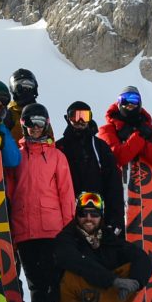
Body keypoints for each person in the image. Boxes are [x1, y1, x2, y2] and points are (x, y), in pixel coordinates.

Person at [53, 191, 152, 302]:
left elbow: (140, 257)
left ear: (101, 216)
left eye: (94, 214)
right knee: (74, 275)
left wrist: (135, 281)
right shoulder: (66, 238)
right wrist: (113, 280)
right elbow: (73, 260)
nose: (88, 218)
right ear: (76, 216)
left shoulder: (107, 237)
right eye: (83, 214)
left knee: (131, 266)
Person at [7, 103, 75, 302]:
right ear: (23, 125)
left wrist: (69, 228)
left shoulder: (56, 156)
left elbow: (66, 193)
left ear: (46, 125)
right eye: (30, 123)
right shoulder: (16, 157)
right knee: (33, 276)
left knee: (52, 275)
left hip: (51, 226)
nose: (35, 128)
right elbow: (10, 190)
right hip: (24, 226)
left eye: (39, 123)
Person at [55, 101, 125, 239]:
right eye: (75, 116)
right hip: (69, 215)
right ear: (68, 119)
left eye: (85, 116)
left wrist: (115, 218)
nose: (80, 121)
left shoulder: (100, 147)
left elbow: (114, 184)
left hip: (96, 214)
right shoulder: (60, 148)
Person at [97, 86, 152, 172]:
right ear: (118, 104)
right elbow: (114, 158)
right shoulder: (107, 130)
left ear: (140, 103)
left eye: (134, 99)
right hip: (117, 184)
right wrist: (138, 140)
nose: (129, 103)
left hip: (146, 183)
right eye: (124, 100)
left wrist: (143, 145)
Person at [7, 68, 51, 141]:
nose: (25, 90)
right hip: (16, 151)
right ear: (13, 89)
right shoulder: (8, 115)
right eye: (19, 87)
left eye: (28, 86)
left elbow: (50, 140)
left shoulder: (40, 112)